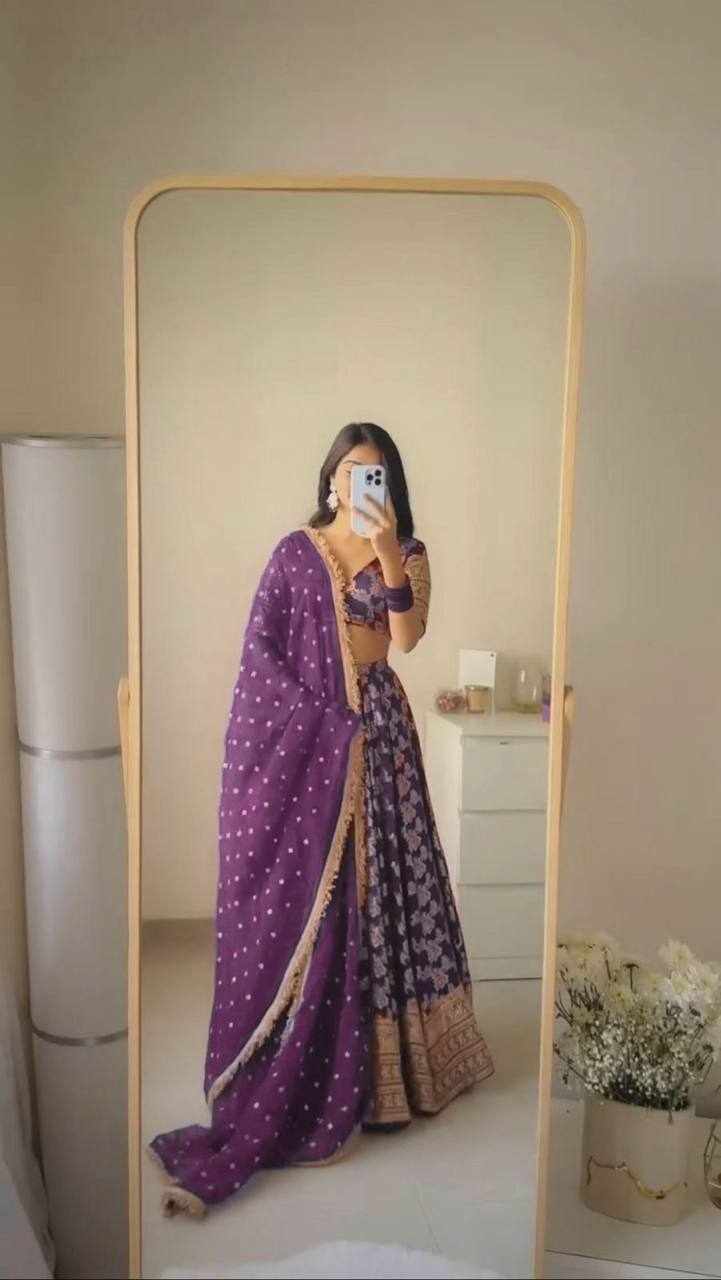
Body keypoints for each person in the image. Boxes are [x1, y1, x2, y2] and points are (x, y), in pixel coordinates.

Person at [147, 422, 495, 1216]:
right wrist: (323, 723)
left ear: (389, 484)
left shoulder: (409, 552)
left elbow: (405, 638)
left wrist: (387, 554)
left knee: (393, 890)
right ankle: (309, 1067)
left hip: (380, 733)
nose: (359, 483)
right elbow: (260, 660)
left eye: (375, 473)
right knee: (332, 899)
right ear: (330, 479)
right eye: (349, 471)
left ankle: (396, 1074)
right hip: (325, 740)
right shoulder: (293, 555)